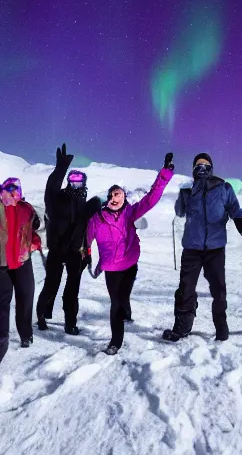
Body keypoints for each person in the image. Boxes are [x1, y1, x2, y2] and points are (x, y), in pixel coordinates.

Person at [163, 153, 242, 343]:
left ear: (211, 168)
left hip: (215, 249)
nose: (202, 168)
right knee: (186, 288)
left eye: (205, 165)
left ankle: (221, 329)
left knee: (218, 290)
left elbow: (235, 209)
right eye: (198, 165)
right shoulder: (188, 190)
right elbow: (179, 212)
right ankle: (182, 328)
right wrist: (182, 195)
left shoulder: (224, 188)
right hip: (191, 248)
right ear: (193, 170)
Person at [86, 154, 174, 355]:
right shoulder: (96, 219)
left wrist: (165, 174)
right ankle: (116, 341)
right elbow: (86, 240)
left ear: (124, 197)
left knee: (123, 296)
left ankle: (126, 312)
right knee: (115, 302)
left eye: (117, 194)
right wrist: (85, 255)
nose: (113, 198)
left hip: (129, 263)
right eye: (111, 195)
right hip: (110, 267)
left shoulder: (130, 213)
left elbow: (151, 199)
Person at [37, 144, 91, 335]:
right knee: (52, 284)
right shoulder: (58, 197)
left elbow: (87, 229)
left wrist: (87, 251)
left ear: (84, 182)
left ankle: (70, 322)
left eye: (79, 179)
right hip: (57, 248)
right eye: (72, 179)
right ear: (68, 181)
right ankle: (41, 315)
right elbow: (50, 188)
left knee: (72, 289)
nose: (75, 182)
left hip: (75, 251)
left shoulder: (85, 204)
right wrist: (61, 168)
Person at [2, 177, 42, 361]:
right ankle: (2, 339)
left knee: (25, 299)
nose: (12, 192)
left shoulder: (27, 208)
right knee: (2, 304)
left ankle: (26, 335)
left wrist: (35, 242)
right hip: (1, 265)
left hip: (22, 261)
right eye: (8, 188)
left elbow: (33, 231)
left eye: (15, 188)